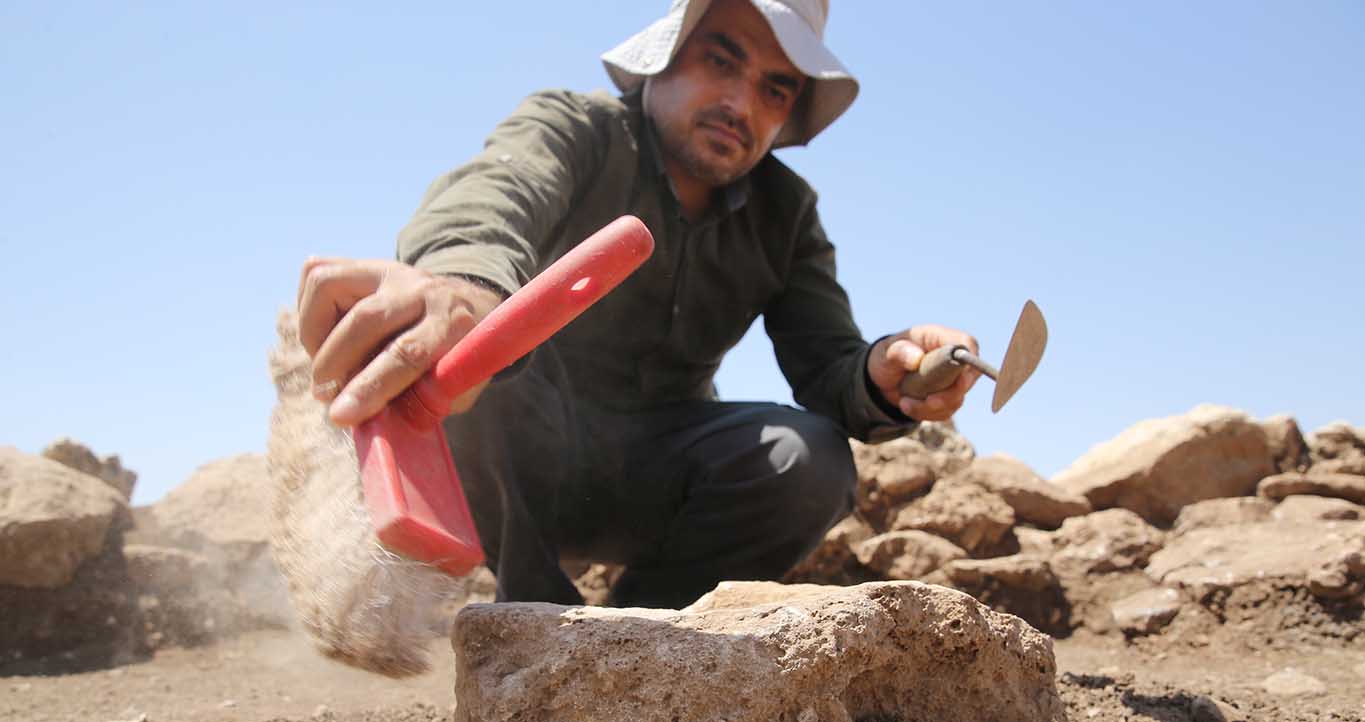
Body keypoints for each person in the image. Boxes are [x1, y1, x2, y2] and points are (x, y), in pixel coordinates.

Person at [295, 0, 980, 608]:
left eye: (775, 91)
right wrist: (463, 285)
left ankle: (644, 637)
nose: (741, 107)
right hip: (519, 454)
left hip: (657, 472)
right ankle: (531, 629)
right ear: (663, 56)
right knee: (484, 351)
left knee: (809, 460)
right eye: (721, 60)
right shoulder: (575, 128)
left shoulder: (787, 214)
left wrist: (882, 375)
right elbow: (491, 202)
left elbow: (828, 366)